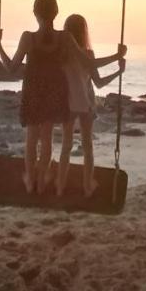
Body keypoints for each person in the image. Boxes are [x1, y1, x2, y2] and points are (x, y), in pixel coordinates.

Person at [0, 0, 125, 196]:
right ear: (56, 13)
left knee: (31, 140)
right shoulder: (64, 38)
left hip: (33, 93)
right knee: (46, 139)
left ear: (35, 13)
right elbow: (89, 63)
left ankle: (31, 181)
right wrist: (117, 57)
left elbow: (11, 68)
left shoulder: (28, 37)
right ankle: (43, 180)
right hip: (54, 94)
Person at [56, 13, 124, 197]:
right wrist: (119, 70)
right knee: (87, 148)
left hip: (67, 104)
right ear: (83, 31)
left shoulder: (61, 55)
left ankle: (60, 186)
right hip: (86, 105)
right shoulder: (88, 55)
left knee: (66, 147)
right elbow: (99, 83)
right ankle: (87, 186)